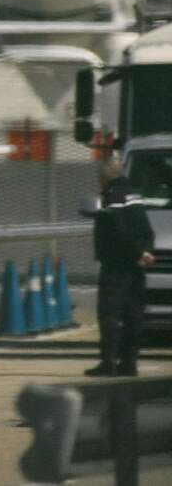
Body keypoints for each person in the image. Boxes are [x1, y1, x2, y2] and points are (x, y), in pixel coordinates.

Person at [86, 157, 155, 377]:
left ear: (105, 177)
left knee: (110, 314)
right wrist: (146, 252)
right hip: (137, 266)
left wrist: (137, 252)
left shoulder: (111, 197)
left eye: (100, 177)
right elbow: (146, 228)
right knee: (134, 314)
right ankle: (129, 362)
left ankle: (108, 362)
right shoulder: (135, 195)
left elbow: (118, 230)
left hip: (116, 265)